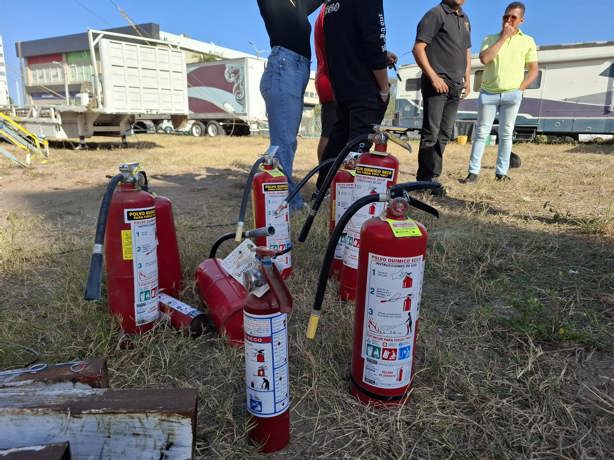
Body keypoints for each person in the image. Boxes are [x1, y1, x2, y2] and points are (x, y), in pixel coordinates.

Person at [316, 0, 397, 191]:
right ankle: (350, 198)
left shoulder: (331, 5)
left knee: (338, 138)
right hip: (364, 86)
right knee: (359, 144)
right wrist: (384, 87)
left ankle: (322, 190)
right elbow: (375, 41)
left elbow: (344, 41)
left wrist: (382, 55)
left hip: (342, 84)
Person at [257, 0, 323, 212]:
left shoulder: (299, 4)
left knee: (286, 142)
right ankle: (285, 203)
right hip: (283, 67)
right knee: (283, 143)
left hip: (297, 70)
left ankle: (278, 197)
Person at [463, 2, 538, 183]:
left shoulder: (528, 41)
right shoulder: (490, 38)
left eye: (513, 17)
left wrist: (521, 88)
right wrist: (503, 37)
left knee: (506, 133)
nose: (509, 20)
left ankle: (501, 173)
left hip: (512, 94)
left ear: (521, 20)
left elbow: (534, 69)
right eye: (506, 16)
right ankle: (473, 173)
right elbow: (485, 58)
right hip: (488, 93)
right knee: (481, 133)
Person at [413, 0, 472, 195]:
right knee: (431, 132)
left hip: (456, 85)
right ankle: (424, 180)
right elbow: (418, 48)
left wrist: (467, 79)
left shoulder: (465, 18)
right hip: (437, 84)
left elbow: (466, 51)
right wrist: (433, 77)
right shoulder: (435, 14)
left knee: (445, 134)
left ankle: (434, 178)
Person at [314, 4, 337, 165]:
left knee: (329, 132)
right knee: (329, 133)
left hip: (326, 77)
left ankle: (325, 177)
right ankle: (325, 178)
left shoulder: (325, 11)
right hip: (332, 79)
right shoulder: (332, 11)